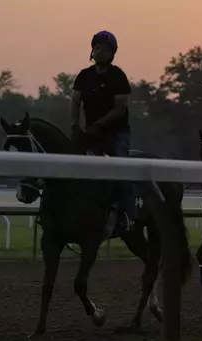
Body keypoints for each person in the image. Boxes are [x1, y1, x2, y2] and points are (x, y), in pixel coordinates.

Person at [69, 30, 135, 232]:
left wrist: (98, 124)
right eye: (97, 48)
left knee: (121, 168)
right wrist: (74, 126)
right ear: (92, 50)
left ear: (112, 53)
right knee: (69, 163)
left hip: (116, 133)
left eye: (106, 49)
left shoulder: (118, 76)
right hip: (90, 133)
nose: (101, 52)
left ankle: (128, 215)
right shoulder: (84, 76)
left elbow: (119, 109)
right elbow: (74, 101)